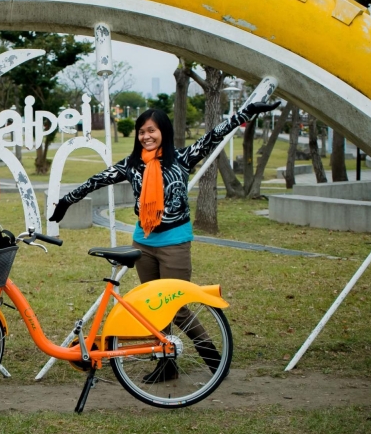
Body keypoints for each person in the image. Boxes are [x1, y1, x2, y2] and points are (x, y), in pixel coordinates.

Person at [49, 99, 279, 381]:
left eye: (151, 130)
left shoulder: (181, 159)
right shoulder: (132, 165)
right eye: (141, 131)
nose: (146, 136)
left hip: (174, 245)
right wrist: (66, 201)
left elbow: (215, 135)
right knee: (155, 309)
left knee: (178, 308)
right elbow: (97, 180)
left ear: (164, 132)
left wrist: (247, 112)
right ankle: (166, 364)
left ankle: (214, 359)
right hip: (143, 245)